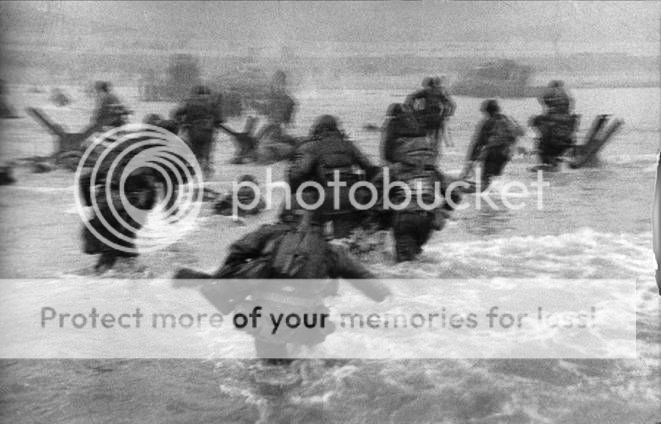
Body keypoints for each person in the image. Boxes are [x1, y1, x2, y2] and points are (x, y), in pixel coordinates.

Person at [174, 209, 390, 362]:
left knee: (271, 373)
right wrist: (386, 296)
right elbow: (373, 288)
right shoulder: (331, 249)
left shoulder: (269, 233)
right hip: (308, 323)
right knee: (307, 364)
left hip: (267, 321)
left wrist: (223, 280)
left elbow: (237, 250)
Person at [288, 115, 376, 238]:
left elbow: (297, 175)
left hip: (323, 199)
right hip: (351, 199)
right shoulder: (349, 145)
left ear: (317, 129)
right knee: (344, 242)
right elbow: (370, 168)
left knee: (314, 238)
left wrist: (298, 192)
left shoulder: (312, 146)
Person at [374, 137, 460, 262]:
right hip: (427, 221)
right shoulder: (433, 171)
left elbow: (374, 188)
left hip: (404, 219)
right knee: (414, 256)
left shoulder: (394, 169)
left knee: (404, 265)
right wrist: (443, 211)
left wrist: (379, 211)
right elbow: (455, 194)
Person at [461, 99, 524, 188]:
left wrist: (470, 161)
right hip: (507, 153)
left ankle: (480, 189)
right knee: (493, 177)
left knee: (486, 178)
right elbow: (521, 132)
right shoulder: (510, 119)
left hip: (494, 153)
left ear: (487, 111)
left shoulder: (488, 122)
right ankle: (492, 192)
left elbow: (478, 143)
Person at [172, 85, 224, 178]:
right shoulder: (212, 103)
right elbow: (219, 119)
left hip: (193, 131)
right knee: (207, 154)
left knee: (195, 152)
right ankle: (206, 173)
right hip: (208, 132)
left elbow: (175, 114)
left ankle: (196, 174)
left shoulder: (189, 102)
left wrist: (182, 123)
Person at [404, 76, 455, 157]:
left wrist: (409, 110)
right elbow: (452, 105)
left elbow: (411, 97)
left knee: (427, 140)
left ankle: (428, 156)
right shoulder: (442, 91)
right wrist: (448, 115)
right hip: (438, 120)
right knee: (437, 142)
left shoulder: (427, 91)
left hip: (427, 120)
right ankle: (434, 157)